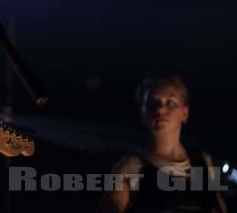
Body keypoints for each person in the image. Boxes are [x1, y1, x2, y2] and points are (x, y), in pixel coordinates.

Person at [97, 74, 227, 213]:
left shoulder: (203, 160)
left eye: (170, 103)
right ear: (142, 114)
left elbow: (217, 206)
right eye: (152, 103)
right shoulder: (131, 165)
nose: (160, 110)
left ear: (185, 113)